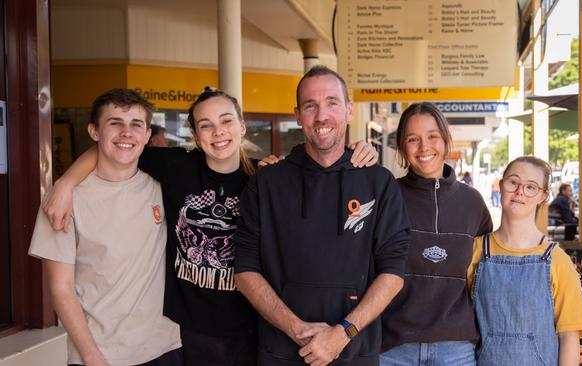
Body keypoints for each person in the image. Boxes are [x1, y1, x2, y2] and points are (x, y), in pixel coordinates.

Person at [43, 86, 379, 366]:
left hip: (251, 329)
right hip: (187, 332)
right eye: (205, 125)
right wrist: (65, 184)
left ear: (242, 126)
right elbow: (112, 149)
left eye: (226, 121)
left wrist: (358, 152)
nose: (218, 132)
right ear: (194, 134)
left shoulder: (265, 177)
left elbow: (320, 159)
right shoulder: (176, 167)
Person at [234, 65, 410, 366]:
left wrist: (342, 333)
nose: (321, 115)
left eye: (332, 103)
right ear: (297, 115)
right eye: (310, 105)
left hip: (354, 352)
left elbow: (393, 273)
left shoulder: (378, 183)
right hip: (281, 353)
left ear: (349, 110)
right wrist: (296, 330)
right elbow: (245, 270)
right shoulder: (266, 182)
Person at [29, 88, 182, 366]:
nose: (127, 133)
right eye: (115, 123)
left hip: (163, 347)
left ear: (147, 135)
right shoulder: (62, 202)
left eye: (136, 125)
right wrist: (92, 357)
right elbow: (60, 288)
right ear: (94, 132)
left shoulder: (164, 188)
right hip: (98, 353)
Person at [380, 102, 493, 366]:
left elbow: (493, 267)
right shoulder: (388, 197)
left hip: (456, 349)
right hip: (394, 348)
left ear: (445, 138)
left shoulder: (472, 202)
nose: (424, 147)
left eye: (432, 136)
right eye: (413, 139)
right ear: (401, 147)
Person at [467, 156, 582, 366]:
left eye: (531, 187)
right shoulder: (476, 250)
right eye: (513, 182)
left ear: (543, 196)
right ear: (501, 185)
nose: (520, 192)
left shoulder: (557, 260)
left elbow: (569, 337)